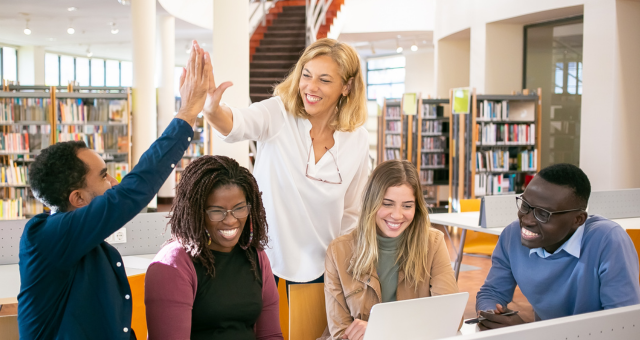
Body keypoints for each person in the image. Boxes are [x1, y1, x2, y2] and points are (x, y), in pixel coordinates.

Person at [17, 41, 210, 339]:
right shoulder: (44, 237)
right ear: (78, 198)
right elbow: (133, 191)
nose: (114, 183)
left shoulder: (91, 246)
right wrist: (187, 113)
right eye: (105, 176)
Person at [201, 38, 370, 286]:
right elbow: (238, 123)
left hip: (323, 267)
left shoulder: (358, 139)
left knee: (311, 327)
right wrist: (212, 110)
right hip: (263, 259)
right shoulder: (279, 113)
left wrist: (344, 267)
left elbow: (352, 212)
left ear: (347, 86)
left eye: (324, 80)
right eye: (306, 75)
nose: (310, 87)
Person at [476, 163, 640, 330]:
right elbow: (492, 292)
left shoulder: (608, 240)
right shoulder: (512, 235)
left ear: (578, 220)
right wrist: (491, 313)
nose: (527, 220)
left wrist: (527, 332)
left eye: (543, 214)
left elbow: (622, 327)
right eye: (525, 205)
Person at [144, 155, 283, 340]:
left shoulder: (255, 256)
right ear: (196, 212)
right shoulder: (173, 264)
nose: (231, 220)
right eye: (217, 211)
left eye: (239, 208)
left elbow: (271, 335)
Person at [322, 160, 459, 340]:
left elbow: (451, 317)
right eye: (387, 204)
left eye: (407, 206)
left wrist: (381, 330)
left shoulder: (433, 243)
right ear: (372, 203)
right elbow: (341, 333)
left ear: (416, 208)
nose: (397, 215)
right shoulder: (338, 251)